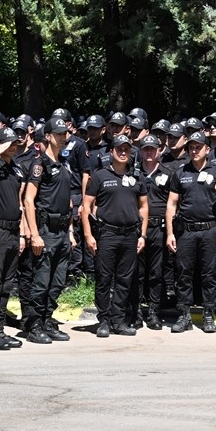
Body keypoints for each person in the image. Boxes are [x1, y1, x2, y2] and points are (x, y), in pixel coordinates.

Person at [82, 134, 148, 337]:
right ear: (111, 152)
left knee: (124, 279)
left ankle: (118, 320)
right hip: (107, 233)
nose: (122, 152)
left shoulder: (137, 177)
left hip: (130, 235)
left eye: (126, 149)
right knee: (104, 278)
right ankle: (104, 319)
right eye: (119, 149)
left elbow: (144, 207)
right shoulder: (100, 175)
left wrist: (142, 235)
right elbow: (86, 207)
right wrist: (88, 235)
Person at [21, 116, 78, 345]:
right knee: (42, 280)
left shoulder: (65, 164)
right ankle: (34, 324)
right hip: (46, 229)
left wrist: (72, 232)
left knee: (58, 281)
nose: (63, 136)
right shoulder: (40, 164)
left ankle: (46, 319)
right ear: (48, 136)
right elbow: (28, 200)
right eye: (58, 133)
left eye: (65, 133)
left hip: (63, 231)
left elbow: (69, 203)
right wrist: (34, 234)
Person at [164, 131, 216, 333]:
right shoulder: (180, 173)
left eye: (199, 147)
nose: (195, 150)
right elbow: (172, 204)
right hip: (186, 231)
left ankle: (209, 314)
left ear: (208, 149)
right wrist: (170, 233)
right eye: (192, 147)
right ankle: (184, 315)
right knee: (183, 273)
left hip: (210, 230)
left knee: (209, 273)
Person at [0, 127, 27, 350]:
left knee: (6, 285)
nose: (14, 146)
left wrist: (21, 233)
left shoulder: (16, 170)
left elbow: (20, 204)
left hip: (12, 231)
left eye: (16, 142)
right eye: (8, 143)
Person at [137, 135, 174, 329]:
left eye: (153, 149)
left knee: (156, 273)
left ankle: (153, 312)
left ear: (159, 150)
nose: (149, 152)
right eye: (146, 149)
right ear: (141, 151)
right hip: (137, 229)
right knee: (137, 272)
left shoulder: (168, 173)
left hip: (158, 228)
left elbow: (173, 204)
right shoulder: (133, 174)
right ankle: (135, 311)